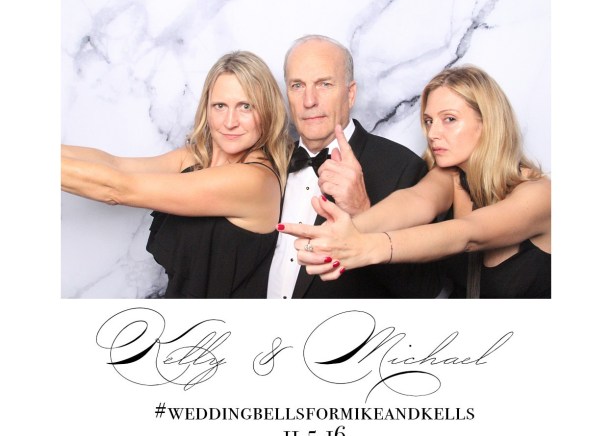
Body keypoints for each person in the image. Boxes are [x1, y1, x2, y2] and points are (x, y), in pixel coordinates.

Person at [280, 66, 551, 299]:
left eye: (449, 119)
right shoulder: (450, 177)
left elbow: (468, 233)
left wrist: (366, 247)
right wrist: (341, 232)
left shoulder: (540, 194)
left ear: (488, 123)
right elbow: (413, 200)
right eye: (429, 121)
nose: (433, 133)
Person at [62, 52, 292, 299]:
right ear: (207, 108)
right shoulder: (196, 159)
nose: (230, 122)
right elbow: (116, 164)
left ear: (267, 110)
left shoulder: (254, 180)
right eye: (220, 106)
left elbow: (116, 188)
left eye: (246, 106)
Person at [269, 36, 439, 299]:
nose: (309, 100)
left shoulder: (404, 168)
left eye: (324, 84)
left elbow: (424, 291)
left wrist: (363, 210)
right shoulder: (269, 163)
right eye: (297, 85)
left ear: (350, 94)